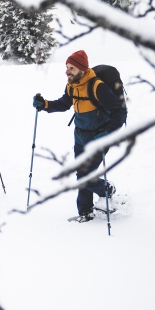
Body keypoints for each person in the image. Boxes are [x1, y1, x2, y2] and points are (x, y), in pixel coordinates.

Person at [33, 50, 126, 222]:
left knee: (85, 177)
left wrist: (107, 133)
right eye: (67, 67)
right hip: (80, 136)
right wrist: (44, 104)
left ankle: (107, 190)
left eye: (72, 68)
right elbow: (63, 103)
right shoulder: (72, 85)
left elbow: (120, 112)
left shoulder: (97, 86)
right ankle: (85, 213)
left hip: (98, 137)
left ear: (82, 69)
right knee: (81, 176)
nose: (67, 72)